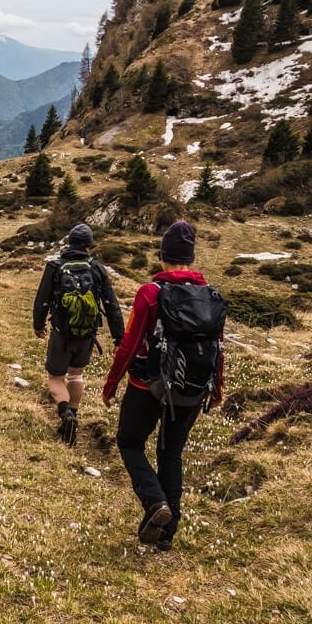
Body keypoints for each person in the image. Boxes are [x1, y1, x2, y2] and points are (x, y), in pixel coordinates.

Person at [102, 220, 225, 551]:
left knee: (129, 443)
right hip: (191, 390)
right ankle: (167, 533)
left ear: (162, 256)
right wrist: (217, 389)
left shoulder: (151, 293)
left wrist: (111, 384)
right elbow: (219, 349)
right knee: (171, 453)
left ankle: (155, 503)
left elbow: (129, 345)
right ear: (191, 257)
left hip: (147, 387)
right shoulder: (212, 296)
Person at [32, 223, 125, 446]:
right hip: (86, 335)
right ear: (88, 246)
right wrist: (119, 338)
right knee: (76, 376)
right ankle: (74, 414)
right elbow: (112, 305)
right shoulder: (96, 268)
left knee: (56, 378)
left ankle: (65, 414)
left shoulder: (55, 266)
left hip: (61, 333)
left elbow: (42, 298)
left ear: (69, 243)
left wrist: (38, 325)